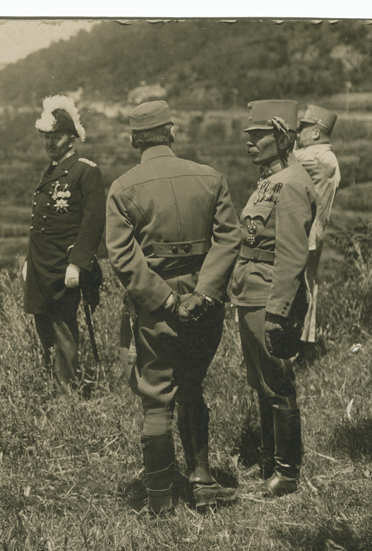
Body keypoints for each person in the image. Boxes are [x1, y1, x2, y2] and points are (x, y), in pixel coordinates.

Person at [105, 100, 240, 516]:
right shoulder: (210, 177)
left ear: (134, 140)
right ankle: (202, 482)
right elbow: (229, 239)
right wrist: (204, 293)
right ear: (172, 132)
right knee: (192, 385)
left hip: (155, 310)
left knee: (157, 396)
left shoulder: (123, 188)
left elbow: (122, 256)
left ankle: (160, 498)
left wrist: (165, 300)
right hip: (205, 305)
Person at [231, 100, 317, 497]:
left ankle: (286, 472)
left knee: (279, 383)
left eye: (258, 136)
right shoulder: (270, 180)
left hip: (269, 295)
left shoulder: (293, 182)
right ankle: (269, 461)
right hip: (250, 293)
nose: (249, 143)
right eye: (249, 136)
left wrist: (279, 311)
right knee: (262, 383)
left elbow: (292, 255)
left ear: (282, 138)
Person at [22, 95, 106, 395]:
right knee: (43, 327)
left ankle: (68, 395)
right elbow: (39, 225)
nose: (49, 143)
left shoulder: (85, 171)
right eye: (46, 138)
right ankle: (52, 387)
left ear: (71, 138)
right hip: (41, 264)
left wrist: (77, 264)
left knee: (64, 329)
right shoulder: (50, 171)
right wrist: (29, 260)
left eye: (55, 137)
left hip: (64, 266)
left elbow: (92, 223)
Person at [295, 105, 341, 346]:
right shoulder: (326, 157)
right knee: (306, 284)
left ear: (315, 133)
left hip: (305, 235)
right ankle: (302, 342)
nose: (297, 133)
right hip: (313, 234)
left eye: (302, 128)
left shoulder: (317, 156)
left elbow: (281, 159)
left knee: (297, 287)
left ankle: (294, 344)